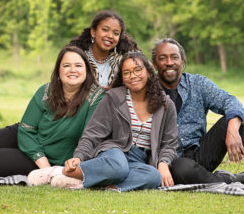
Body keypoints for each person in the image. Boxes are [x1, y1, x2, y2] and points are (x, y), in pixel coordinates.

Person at [151, 38, 244, 190]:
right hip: (168, 162)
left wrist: (233, 130)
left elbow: (230, 101)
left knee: (230, 122)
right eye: (162, 58)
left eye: (174, 57)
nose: (169, 62)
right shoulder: (148, 92)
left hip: (200, 154)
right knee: (182, 168)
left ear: (182, 62)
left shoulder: (197, 84)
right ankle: (229, 179)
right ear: (155, 65)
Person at [0, 45, 104, 178]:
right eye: (66, 65)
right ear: (58, 70)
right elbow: (25, 130)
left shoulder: (96, 97)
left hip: (53, 153)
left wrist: (46, 168)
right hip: (29, 133)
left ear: (87, 70)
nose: (72, 70)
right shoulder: (46, 90)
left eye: (78, 65)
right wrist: (45, 168)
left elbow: (88, 137)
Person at [54, 52, 177, 191]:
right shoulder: (114, 98)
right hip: (115, 151)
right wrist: (79, 156)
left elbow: (170, 143)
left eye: (138, 70)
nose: (133, 76)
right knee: (119, 166)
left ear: (148, 72)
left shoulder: (165, 104)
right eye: (126, 73)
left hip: (139, 160)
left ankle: (105, 185)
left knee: (153, 176)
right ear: (123, 78)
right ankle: (64, 172)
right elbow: (93, 132)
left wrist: (163, 163)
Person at [65, 10, 139, 88]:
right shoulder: (78, 57)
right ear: (93, 32)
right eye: (105, 30)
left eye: (116, 33)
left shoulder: (123, 61)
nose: (110, 36)